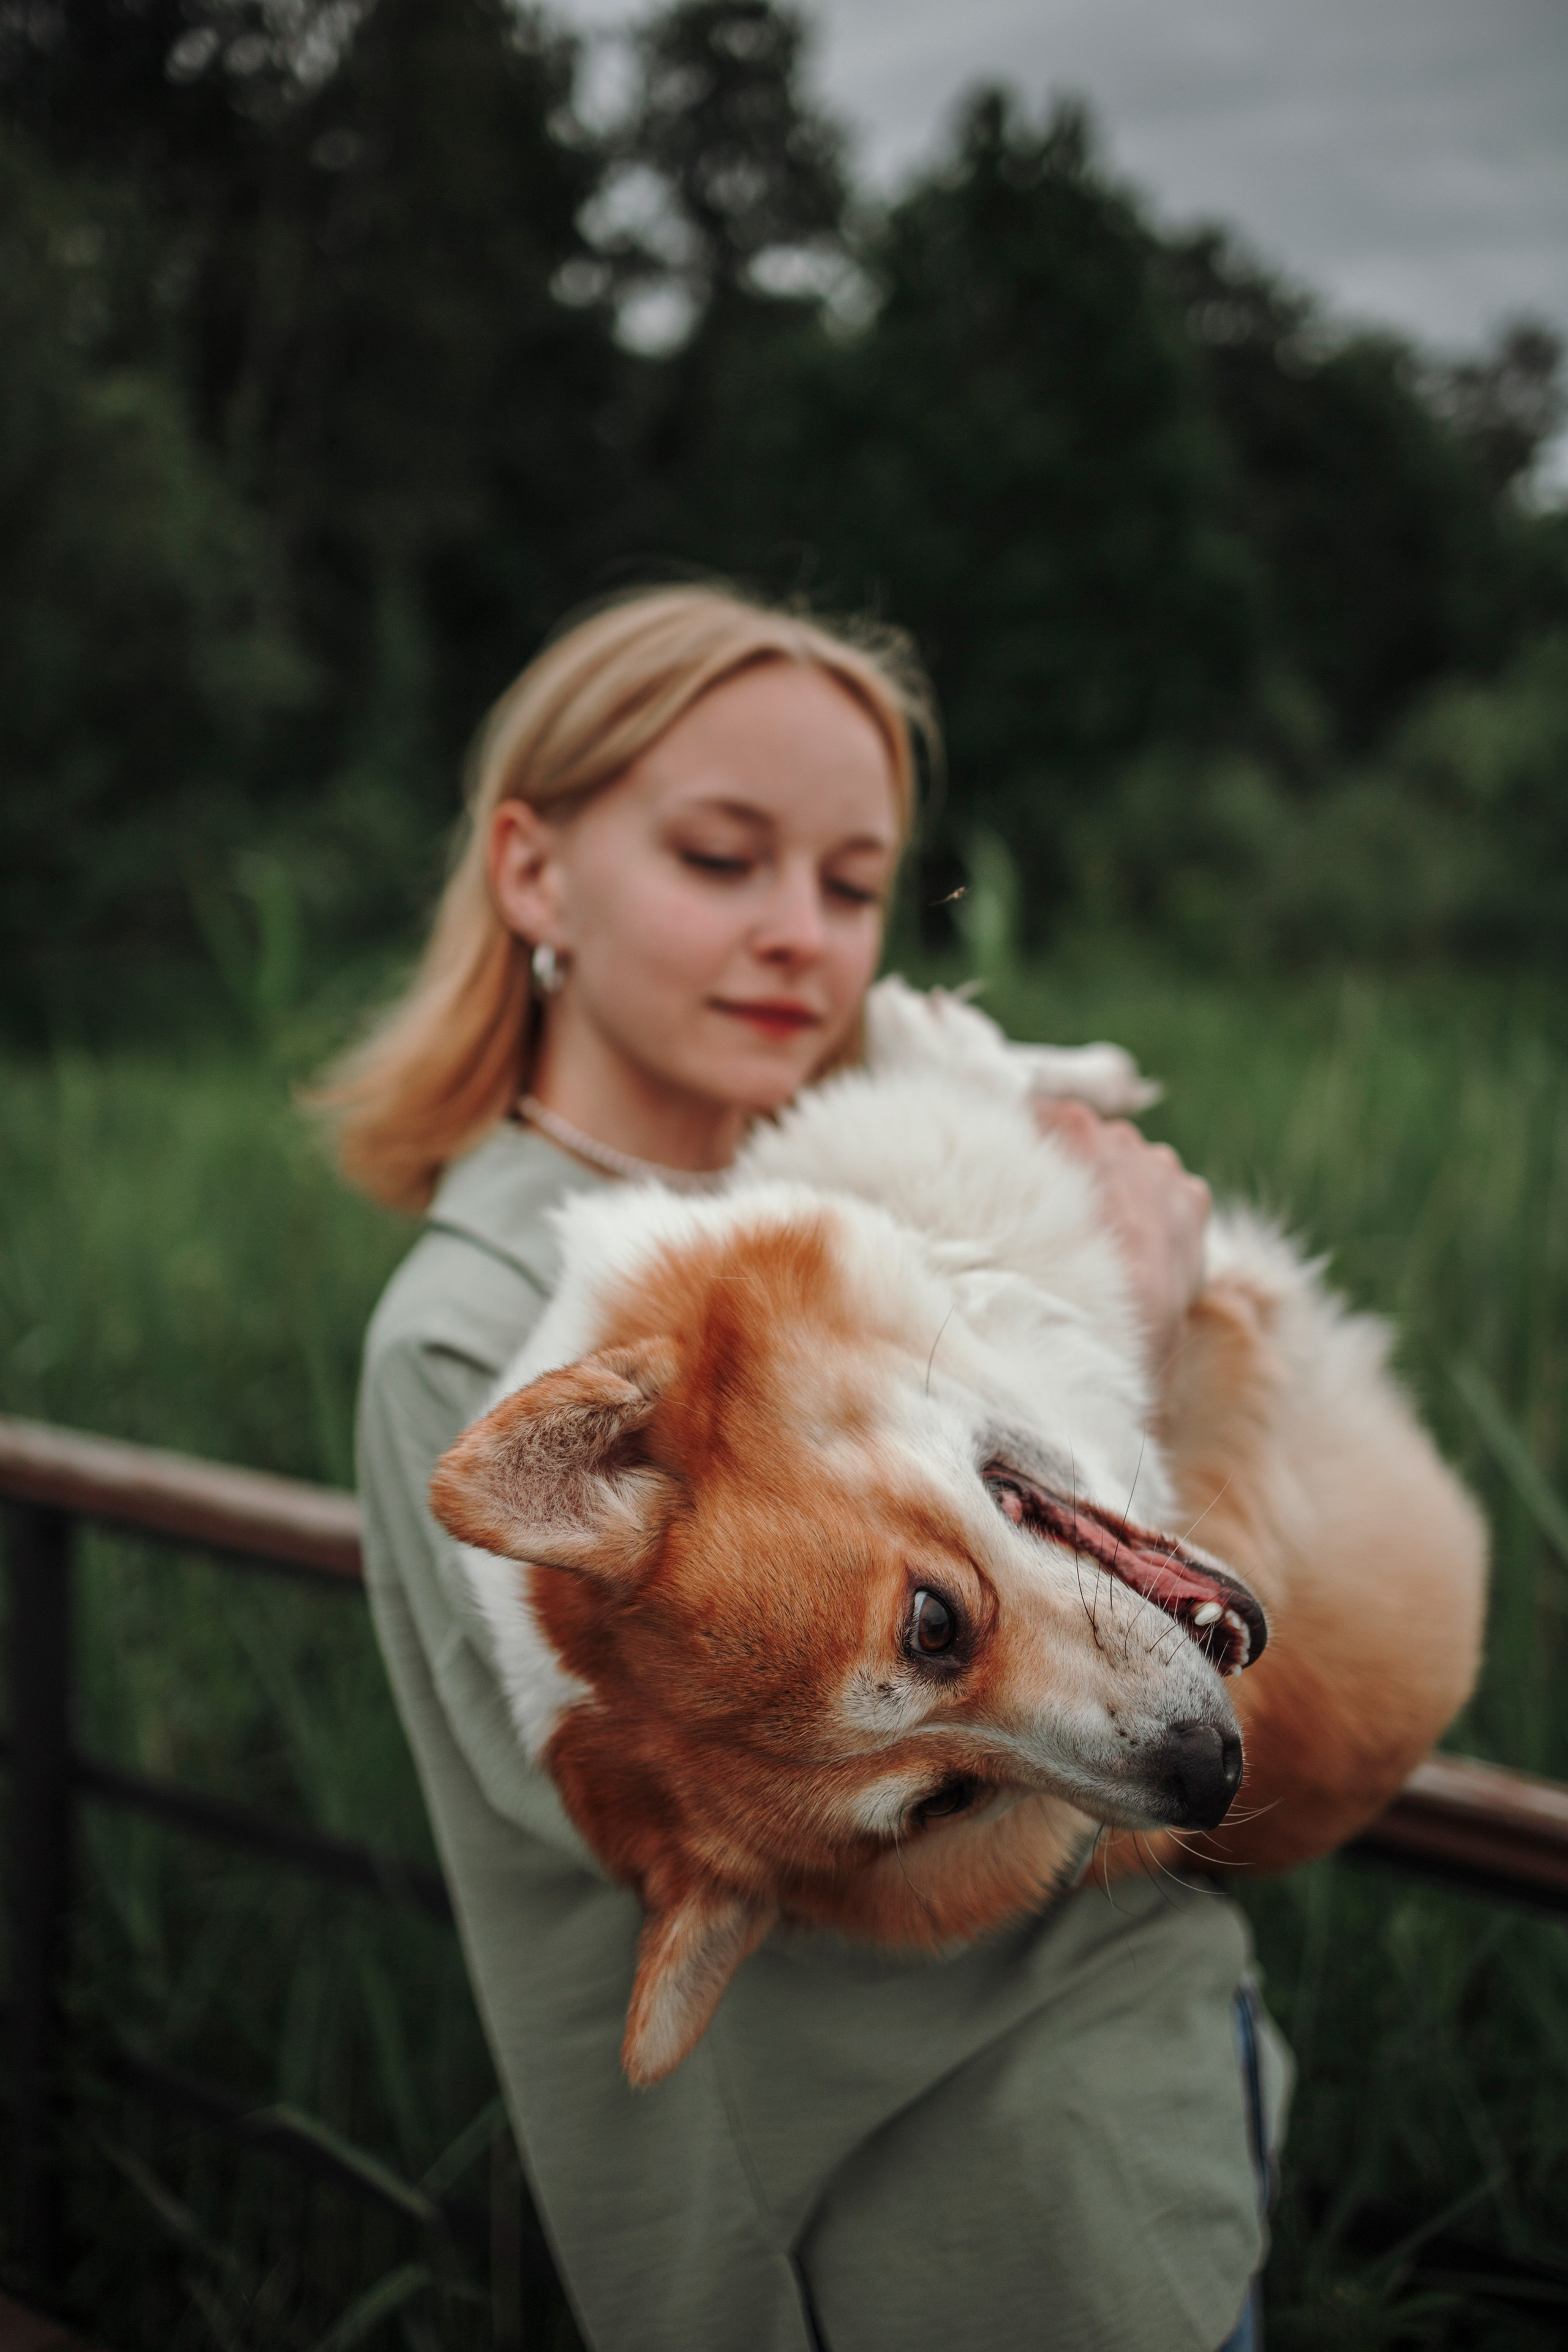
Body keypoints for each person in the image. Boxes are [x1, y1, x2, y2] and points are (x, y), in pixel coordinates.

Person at [329, 584, 1287, 2352]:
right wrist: (1124, 1356)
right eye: (721, 859)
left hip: (1123, 2141)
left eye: (853, 886)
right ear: (535, 877)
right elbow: (776, 1843)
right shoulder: (486, 1342)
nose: (803, 936)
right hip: (910, 2215)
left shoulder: (831, 1208)